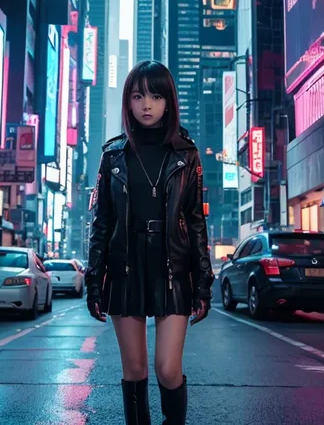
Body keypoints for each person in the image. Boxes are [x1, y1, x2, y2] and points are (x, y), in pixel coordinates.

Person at [85, 60, 214, 425]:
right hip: (125, 268)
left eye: (156, 96)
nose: (147, 104)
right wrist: (95, 280)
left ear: (168, 102)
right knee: (136, 369)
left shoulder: (186, 155)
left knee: (168, 369)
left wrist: (203, 282)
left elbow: (195, 220)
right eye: (139, 95)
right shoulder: (112, 155)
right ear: (127, 102)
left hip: (172, 268)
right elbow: (102, 222)